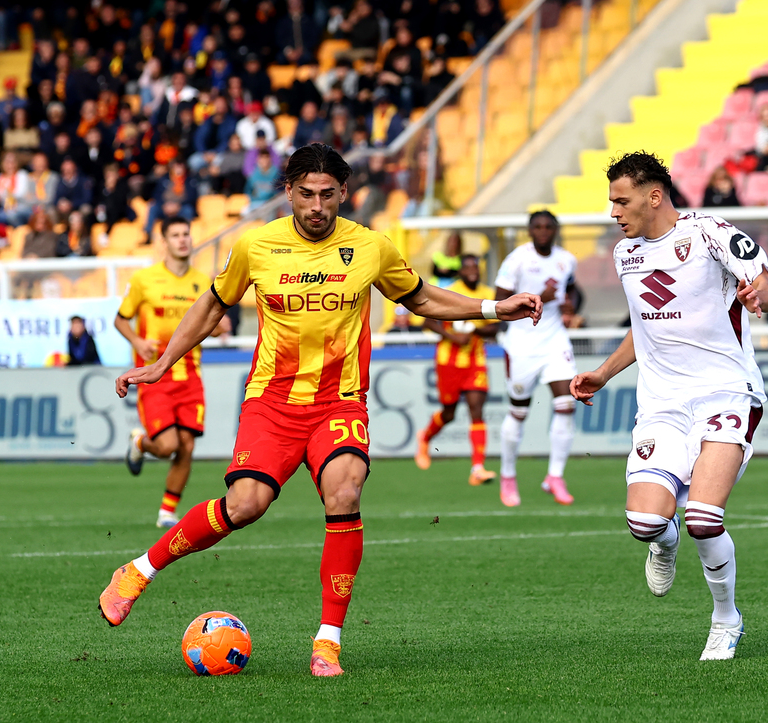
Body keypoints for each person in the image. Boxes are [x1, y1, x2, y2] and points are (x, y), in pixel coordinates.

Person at [98, 144, 542, 677]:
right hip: (272, 402)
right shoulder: (256, 246)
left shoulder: (370, 246)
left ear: (343, 194)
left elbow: (420, 298)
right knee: (244, 506)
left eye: (327, 195)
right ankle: (139, 569)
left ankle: (327, 639)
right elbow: (213, 304)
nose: (315, 206)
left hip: (340, 401)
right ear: (287, 192)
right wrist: (163, 362)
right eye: (305, 194)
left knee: (345, 488)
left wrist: (494, 309)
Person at [570, 151, 768, 661]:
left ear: (654, 196)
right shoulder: (627, 254)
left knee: (705, 518)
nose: (614, 212)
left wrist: (759, 296)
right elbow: (645, 328)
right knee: (645, 523)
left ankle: (725, 620)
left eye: (621, 201)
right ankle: (661, 543)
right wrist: (602, 372)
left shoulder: (711, 233)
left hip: (727, 392)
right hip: (662, 404)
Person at [116, 216, 229, 528]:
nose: (183, 240)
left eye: (186, 234)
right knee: (168, 446)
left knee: (187, 446)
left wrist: (220, 328)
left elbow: (211, 320)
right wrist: (138, 340)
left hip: (190, 375)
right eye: (176, 235)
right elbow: (121, 319)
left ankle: (167, 511)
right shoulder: (144, 280)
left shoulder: (202, 281)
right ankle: (140, 443)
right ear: (163, 242)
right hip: (156, 376)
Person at [493, 210, 578, 507]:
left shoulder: (566, 259)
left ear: (555, 230)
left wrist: (570, 307)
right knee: (519, 411)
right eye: (537, 227)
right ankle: (508, 476)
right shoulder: (517, 260)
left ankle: (555, 476)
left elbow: (572, 291)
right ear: (530, 231)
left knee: (566, 404)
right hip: (522, 344)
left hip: (554, 340)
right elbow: (500, 301)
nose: (543, 231)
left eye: (548, 227)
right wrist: (541, 295)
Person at [414, 254, 499, 485]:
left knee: (476, 410)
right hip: (448, 362)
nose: (473, 271)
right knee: (449, 413)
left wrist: (474, 331)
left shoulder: (488, 294)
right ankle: (425, 437)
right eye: (468, 267)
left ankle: (478, 469)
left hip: (475, 361)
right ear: (460, 272)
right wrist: (452, 336)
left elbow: (495, 330)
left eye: (476, 267)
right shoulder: (450, 291)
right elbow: (428, 322)